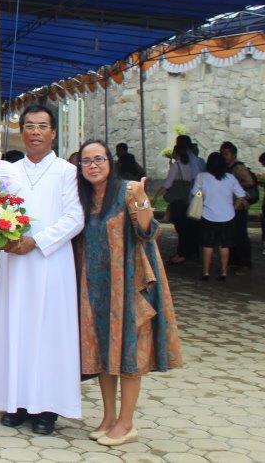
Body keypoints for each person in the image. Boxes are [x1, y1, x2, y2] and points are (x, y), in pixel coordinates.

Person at [0, 104, 84, 435]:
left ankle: (47, 408)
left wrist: (37, 241)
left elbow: (75, 218)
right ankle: (16, 402)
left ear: (53, 132)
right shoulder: (9, 172)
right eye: (29, 126)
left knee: (50, 334)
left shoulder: (67, 172)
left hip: (51, 263)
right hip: (15, 263)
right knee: (15, 328)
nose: (35, 132)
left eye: (42, 126)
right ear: (22, 131)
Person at [75, 140, 182, 447]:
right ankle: (109, 417)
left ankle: (127, 423)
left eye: (99, 159)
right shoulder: (82, 198)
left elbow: (148, 231)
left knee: (129, 351)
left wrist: (143, 200)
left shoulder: (128, 192)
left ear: (110, 161)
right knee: (102, 351)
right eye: (86, 161)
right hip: (95, 287)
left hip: (129, 284)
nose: (93, 165)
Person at [194, 152, 247, 282]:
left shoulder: (201, 177)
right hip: (227, 216)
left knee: (207, 245)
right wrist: (234, 207)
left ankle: (206, 272)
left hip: (207, 215)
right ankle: (223, 272)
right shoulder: (230, 178)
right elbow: (241, 195)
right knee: (224, 246)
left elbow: (195, 193)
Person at [154, 135, 205, 266]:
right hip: (190, 199)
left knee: (181, 229)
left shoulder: (176, 166)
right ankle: (188, 252)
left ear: (176, 152)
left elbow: (167, 184)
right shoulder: (193, 163)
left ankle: (181, 254)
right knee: (189, 228)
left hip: (178, 201)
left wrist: (155, 197)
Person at [220, 141, 257, 273]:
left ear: (233, 155)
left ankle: (245, 262)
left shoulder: (238, 167)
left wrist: (233, 185)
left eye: (226, 154)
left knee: (241, 235)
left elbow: (249, 182)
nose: (224, 156)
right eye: (222, 154)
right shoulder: (227, 167)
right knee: (232, 234)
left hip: (239, 206)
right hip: (231, 205)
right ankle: (234, 260)